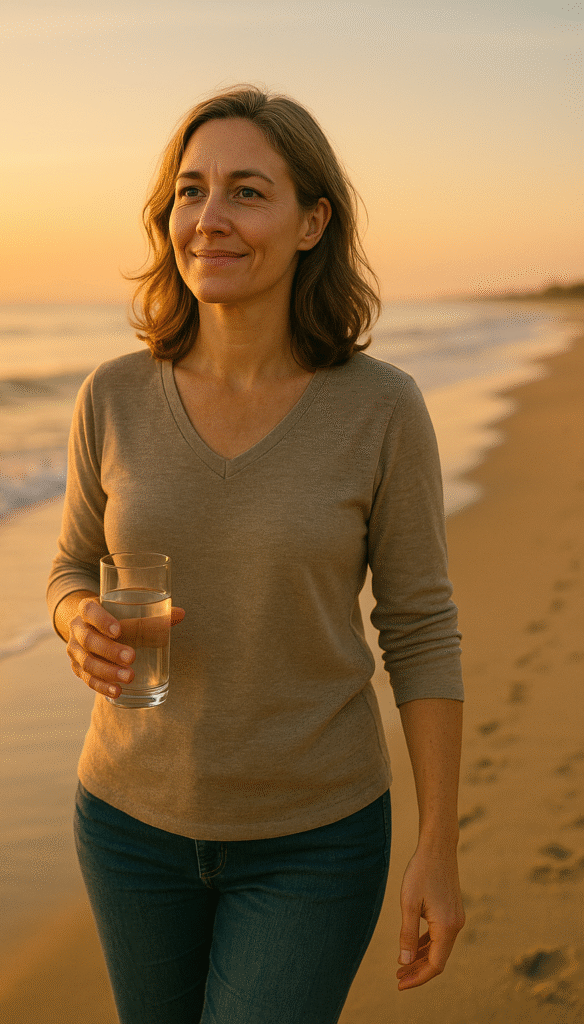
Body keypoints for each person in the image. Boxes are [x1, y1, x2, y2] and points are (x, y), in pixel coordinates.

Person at [47, 84, 465, 1024]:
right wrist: (77, 621)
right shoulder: (110, 395)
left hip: (315, 837)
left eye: (247, 191)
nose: (210, 218)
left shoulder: (381, 409)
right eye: (190, 191)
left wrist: (437, 845)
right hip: (125, 823)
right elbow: (72, 565)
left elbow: (421, 630)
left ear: (312, 222)